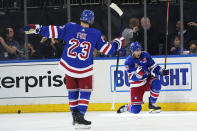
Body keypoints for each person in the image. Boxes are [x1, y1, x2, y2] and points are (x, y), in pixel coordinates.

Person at [24, 9, 125, 128]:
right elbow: (108, 50)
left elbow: (52, 31)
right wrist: (118, 42)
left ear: (81, 18)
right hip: (84, 69)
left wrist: (36, 28)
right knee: (85, 93)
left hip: (69, 66)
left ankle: (74, 118)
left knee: (72, 93)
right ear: (92, 20)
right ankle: (80, 117)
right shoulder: (95, 33)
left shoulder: (70, 27)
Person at [117, 42, 169, 114]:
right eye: (136, 50)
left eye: (140, 50)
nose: (139, 52)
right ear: (132, 51)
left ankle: (152, 104)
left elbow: (153, 67)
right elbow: (132, 77)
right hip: (136, 85)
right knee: (136, 110)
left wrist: (161, 71)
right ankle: (127, 107)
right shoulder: (128, 61)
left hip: (147, 79)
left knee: (157, 83)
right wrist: (138, 74)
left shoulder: (146, 55)